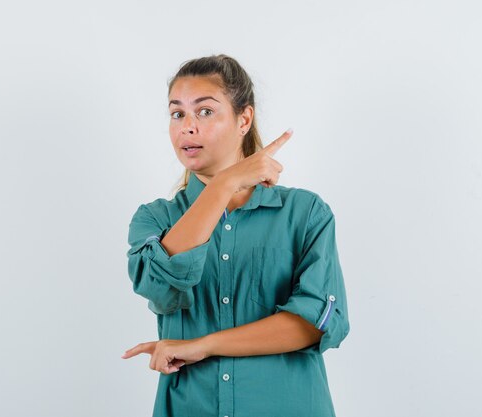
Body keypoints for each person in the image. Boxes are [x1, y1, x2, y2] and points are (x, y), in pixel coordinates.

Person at [121, 54, 350, 417]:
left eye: (205, 111)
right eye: (177, 113)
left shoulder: (305, 214)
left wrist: (205, 345)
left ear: (244, 119)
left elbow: (312, 324)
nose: (187, 127)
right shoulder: (155, 219)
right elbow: (158, 285)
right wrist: (225, 183)